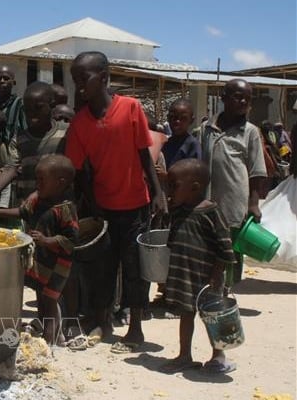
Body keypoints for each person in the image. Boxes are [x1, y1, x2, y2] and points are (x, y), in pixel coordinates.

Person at [64, 51, 166, 353]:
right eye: (76, 79)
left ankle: (135, 328)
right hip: (103, 210)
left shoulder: (131, 108)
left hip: (135, 204)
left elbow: (143, 156)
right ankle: (102, 321)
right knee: (103, 269)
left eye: (85, 77)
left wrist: (158, 193)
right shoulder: (80, 123)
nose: (79, 84)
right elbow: (78, 171)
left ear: (105, 77)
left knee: (135, 269)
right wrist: (92, 204)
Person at [0, 154, 78, 346]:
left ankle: (49, 339)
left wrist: (46, 240)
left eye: (42, 180)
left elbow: (71, 239)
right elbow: (23, 212)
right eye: (37, 179)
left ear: (60, 183)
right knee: (41, 296)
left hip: (57, 264)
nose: (38, 184)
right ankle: (46, 330)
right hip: (39, 260)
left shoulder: (65, 208)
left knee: (50, 300)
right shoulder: (37, 199)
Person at [159, 158, 237, 375]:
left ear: (194, 188)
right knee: (186, 314)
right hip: (185, 276)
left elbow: (224, 247)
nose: (170, 191)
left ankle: (218, 356)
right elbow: (173, 240)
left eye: (174, 186)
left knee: (213, 317)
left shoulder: (211, 212)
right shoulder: (179, 210)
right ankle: (185, 355)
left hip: (207, 279)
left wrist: (216, 274)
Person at [200, 78, 266, 286]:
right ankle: (207, 292)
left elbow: (257, 172)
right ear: (224, 98)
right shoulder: (206, 129)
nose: (243, 102)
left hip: (233, 203)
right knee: (206, 248)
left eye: (248, 99)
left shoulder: (250, 132)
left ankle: (224, 294)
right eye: (238, 97)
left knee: (228, 251)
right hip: (206, 202)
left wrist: (253, 203)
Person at [0, 81, 68, 230]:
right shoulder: (21, 139)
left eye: (38, 108)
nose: (32, 114)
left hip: (60, 207)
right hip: (30, 209)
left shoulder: (65, 134)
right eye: (27, 110)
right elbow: (12, 168)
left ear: (52, 104)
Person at [161, 98, 201, 169]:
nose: (177, 122)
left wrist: (167, 177)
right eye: (173, 117)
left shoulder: (192, 145)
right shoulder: (165, 144)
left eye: (183, 118)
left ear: (191, 121)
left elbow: (193, 173)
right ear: (168, 118)